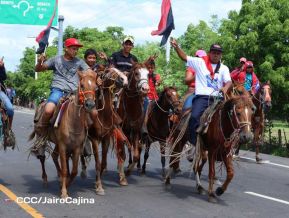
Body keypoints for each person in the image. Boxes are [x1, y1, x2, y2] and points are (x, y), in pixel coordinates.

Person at [170, 39, 232, 161]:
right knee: (194, 116)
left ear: (221, 55)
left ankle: (230, 144)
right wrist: (177, 47)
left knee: (233, 116)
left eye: (218, 53)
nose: (216, 54)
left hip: (218, 98)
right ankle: (193, 144)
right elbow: (184, 57)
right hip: (202, 97)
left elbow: (229, 81)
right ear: (210, 53)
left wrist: (225, 87)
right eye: (214, 52)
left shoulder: (224, 68)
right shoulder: (199, 62)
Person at [35, 38, 92, 134]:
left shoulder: (80, 62)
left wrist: (98, 76)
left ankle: (86, 137)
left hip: (74, 93)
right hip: (58, 91)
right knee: (49, 110)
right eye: (74, 48)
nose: (76, 51)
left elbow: (90, 72)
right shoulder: (55, 59)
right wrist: (39, 62)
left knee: (91, 113)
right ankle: (42, 131)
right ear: (66, 48)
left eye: (77, 49)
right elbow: (38, 69)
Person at [0, 57, 14, 131]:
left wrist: (2, 67)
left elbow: (4, 77)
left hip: (0, 92)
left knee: (10, 109)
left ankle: (8, 131)